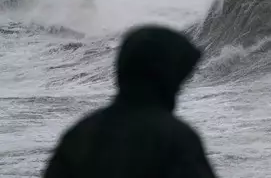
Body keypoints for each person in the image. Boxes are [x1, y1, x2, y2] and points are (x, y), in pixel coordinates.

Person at [42, 24, 218, 178]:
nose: (181, 87)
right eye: (180, 78)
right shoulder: (175, 139)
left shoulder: (80, 134)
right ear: (164, 78)